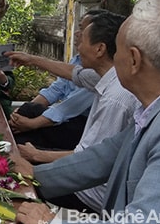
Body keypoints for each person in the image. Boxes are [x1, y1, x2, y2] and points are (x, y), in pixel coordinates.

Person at [13, 0, 160, 224]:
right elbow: (103, 156)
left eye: (119, 51)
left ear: (133, 60)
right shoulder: (157, 109)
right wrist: (35, 174)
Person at [7, 11, 140, 213]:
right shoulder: (107, 77)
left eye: (82, 39)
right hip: (84, 169)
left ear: (100, 49)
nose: (78, 45)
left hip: (89, 191)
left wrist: (36, 158)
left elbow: (88, 161)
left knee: (12, 175)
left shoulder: (116, 98)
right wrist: (31, 59)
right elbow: (73, 73)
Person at [10, 11, 102, 149]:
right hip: (61, 119)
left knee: (22, 138)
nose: (77, 33)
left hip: (78, 124)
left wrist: (32, 123)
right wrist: (23, 114)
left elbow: (69, 107)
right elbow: (55, 89)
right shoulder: (77, 60)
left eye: (83, 30)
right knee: (25, 116)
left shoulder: (100, 74)